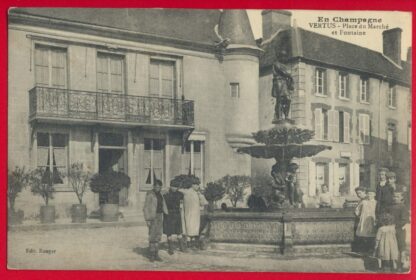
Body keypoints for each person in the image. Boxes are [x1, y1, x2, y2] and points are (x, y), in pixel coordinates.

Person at [143, 179, 168, 262]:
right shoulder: (150, 194)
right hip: (152, 217)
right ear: (153, 186)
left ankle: (156, 254)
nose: (157, 188)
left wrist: (166, 213)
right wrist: (147, 219)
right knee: (152, 235)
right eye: (156, 186)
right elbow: (146, 207)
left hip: (160, 215)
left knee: (158, 235)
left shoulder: (161, 194)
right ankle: (152, 255)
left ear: (161, 187)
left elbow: (163, 204)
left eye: (159, 186)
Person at [386, 191, 410, 271]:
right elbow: (386, 217)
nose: (395, 198)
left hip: (399, 230)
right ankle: (393, 264)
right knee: (392, 246)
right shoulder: (390, 207)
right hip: (390, 229)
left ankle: (402, 263)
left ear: (401, 198)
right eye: (394, 196)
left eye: (397, 197)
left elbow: (405, 219)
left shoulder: (403, 207)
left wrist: (395, 225)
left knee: (401, 246)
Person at [163, 185, 186, 255]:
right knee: (169, 232)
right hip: (168, 215)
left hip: (177, 214)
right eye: (173, 186)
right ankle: (170, 248)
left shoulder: (180, 194)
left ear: (177, 187)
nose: (174, 188)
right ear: (170, 187)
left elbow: (182, 202)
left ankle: (182, 247)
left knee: (179, 231)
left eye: (175, 187)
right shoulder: (166, 195)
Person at [179, 183, 202, 249]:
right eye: (197, 185)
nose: (198, 186)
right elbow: (180, 190)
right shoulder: (188, 192)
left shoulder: (195, 193)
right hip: (190, 213)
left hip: (193, 213)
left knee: (192, 229)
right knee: (190, 229)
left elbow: (202, 202)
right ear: (192, 185)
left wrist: (200, 195)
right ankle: (190, 245)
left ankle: (191, 244)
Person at [355, 189, 377, 254]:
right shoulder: (364, 202)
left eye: (371, 194)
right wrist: (359, 216)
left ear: (374, 195)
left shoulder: (376, 202)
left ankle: (371, 250)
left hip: (372, 219)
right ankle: (363, 250)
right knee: (363, 233)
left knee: (372, 234)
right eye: (368, 194)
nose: (369, 195)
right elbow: (357, 210)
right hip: (364, 219)